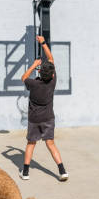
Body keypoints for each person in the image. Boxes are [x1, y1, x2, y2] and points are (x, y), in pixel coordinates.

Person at [19, 35, 68, 181]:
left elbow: (23, 77)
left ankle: (26, 173)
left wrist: (34, 65)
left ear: (39, 72)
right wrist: (43, 43)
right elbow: (51, 59)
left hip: (34, 119)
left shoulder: (33, 84)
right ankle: (62, 170)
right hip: (48, 118)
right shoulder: (52, 82)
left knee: (31, 144)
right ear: (52, 74)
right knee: (51, 144)